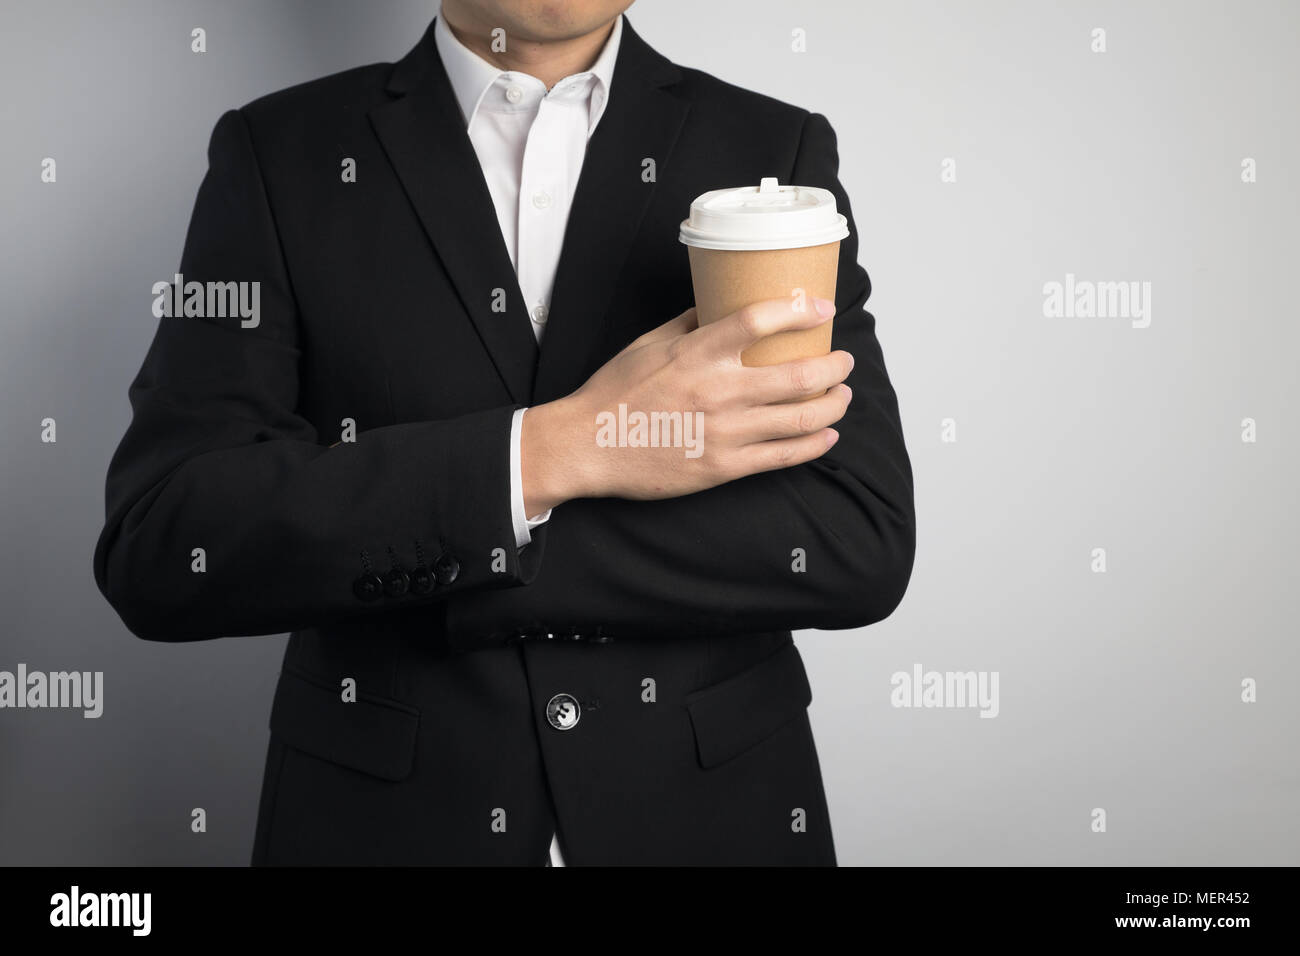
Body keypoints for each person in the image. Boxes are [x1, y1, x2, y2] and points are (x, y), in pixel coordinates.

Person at [93, 0, 916, 866]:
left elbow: (852, 537)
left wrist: (455, 552)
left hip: (716, 823)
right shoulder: (278, 153)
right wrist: (563, 447)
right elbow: (167, 544)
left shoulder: (770, 147)